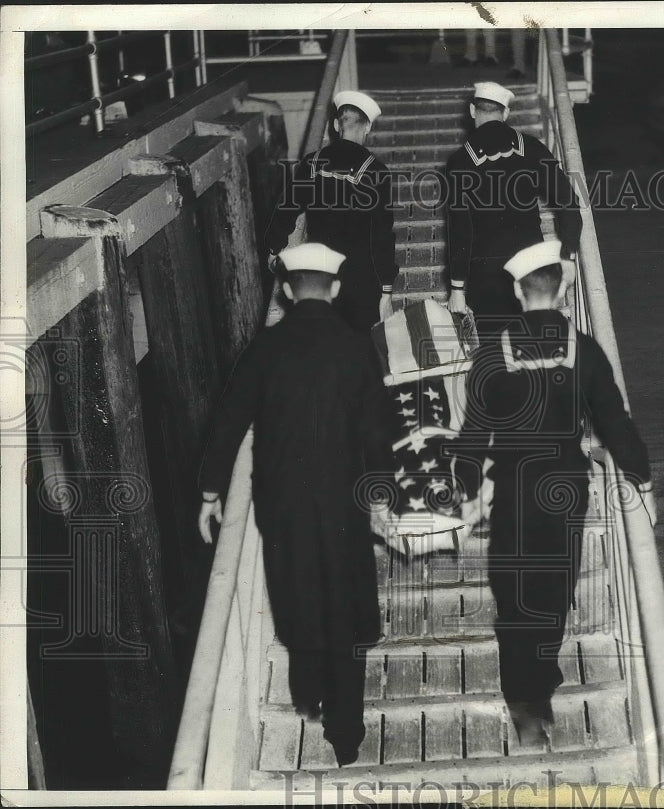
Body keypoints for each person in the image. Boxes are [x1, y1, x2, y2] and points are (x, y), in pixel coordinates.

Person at [197, 243, 394, 766]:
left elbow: (228, 423)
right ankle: (346, 732)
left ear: (285, 290)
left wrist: (211, 492)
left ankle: (308, 690)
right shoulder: (356, 348)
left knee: (295, 590)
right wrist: (384, 492)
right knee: (346, 607)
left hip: (282, 504)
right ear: (334, 288)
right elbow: (379, 432)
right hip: (344, 504)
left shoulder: (264, 349)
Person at [456, 240, 656, 747]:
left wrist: (466, 488)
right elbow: (614, 421)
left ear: (519, 291)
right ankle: (541, 684)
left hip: (516, 490)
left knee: (515, 593)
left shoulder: (492, 352)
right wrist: (642, 478)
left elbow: (474, 435)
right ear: (563, 287)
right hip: (566, 489)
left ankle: (525, 704)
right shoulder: (583, 347)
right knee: (554, 588)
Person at [445, 82, 582, 337]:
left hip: (486, 278)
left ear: (473, 111)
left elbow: (460, 230)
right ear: (506, 113)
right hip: (533, 271)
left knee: (495, 359)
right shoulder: (531, 148)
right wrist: (568, 255)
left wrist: (456, 288)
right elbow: (569, 203)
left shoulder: (460, 162)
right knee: (535, 350)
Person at [263, 91, 397, 332]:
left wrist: (274, 248)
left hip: (321, 275)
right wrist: (386, 288)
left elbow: (287, 209)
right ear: (367, 128)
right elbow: (382, 236)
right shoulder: (377, 172)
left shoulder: (312, 163)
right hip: (362, 281)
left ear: (336, 125)